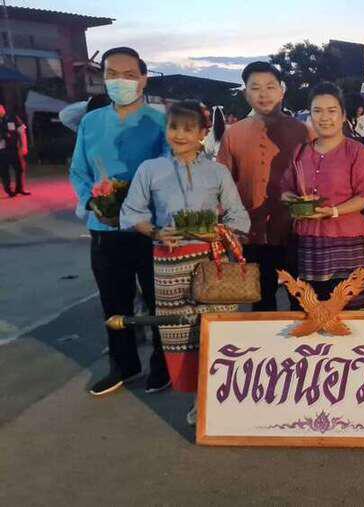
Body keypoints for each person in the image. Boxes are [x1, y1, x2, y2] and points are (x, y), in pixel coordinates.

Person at [119, 100, 250, 423]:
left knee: (216, 332)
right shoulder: (150, 169)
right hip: (170, 265)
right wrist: (156, 232)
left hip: (210, 262)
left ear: (203, 133)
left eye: (189, 129)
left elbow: (238, 217)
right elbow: (131, 213)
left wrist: (217, 232)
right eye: (173, 127)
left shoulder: (217, 172)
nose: (179, 134)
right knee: (181, 334)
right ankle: (199, 400)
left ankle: (217, 399)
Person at [68, 47, 170, 396]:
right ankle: (123, 365)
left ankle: (163, 365)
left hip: (149, 228)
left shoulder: (160, 122)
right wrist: (92, 202)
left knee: (159, 300)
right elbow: (79, 170)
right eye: (112, 74)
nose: (120, 81)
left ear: (143, 79)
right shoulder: (91, 122)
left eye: (129, 75)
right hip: (105, 227)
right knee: (114, 301)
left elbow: (169, 168)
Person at [217, 61, 310, 311]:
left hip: (294, 231)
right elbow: (222, 185)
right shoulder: (233, 134)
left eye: (270, 87)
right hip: (251, 233)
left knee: (302, 301)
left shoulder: (302, 132)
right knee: (261, 303)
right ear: (246, 93)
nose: (263, 94)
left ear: (281, 91)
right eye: (255, 87)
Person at [280, 82, 364, 309]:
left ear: (343, 115)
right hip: (308, 244)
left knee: (351, 315)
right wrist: (295, 202)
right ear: (310, 115)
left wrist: (333, 211)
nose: (324, 118)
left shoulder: (357, 152)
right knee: (310, 312)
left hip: (348, 244)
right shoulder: (300, 152)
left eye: (331, 111)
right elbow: (286, 189)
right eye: (317, 111)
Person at [0, 103, 28, 197]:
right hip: (1, 151)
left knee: (19, 169)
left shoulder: (12, 118)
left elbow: (22, 131)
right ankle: (8, 190)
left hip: (13, 149)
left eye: (1, 108)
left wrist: (24, 146)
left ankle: (19, 188)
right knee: (4, 171)